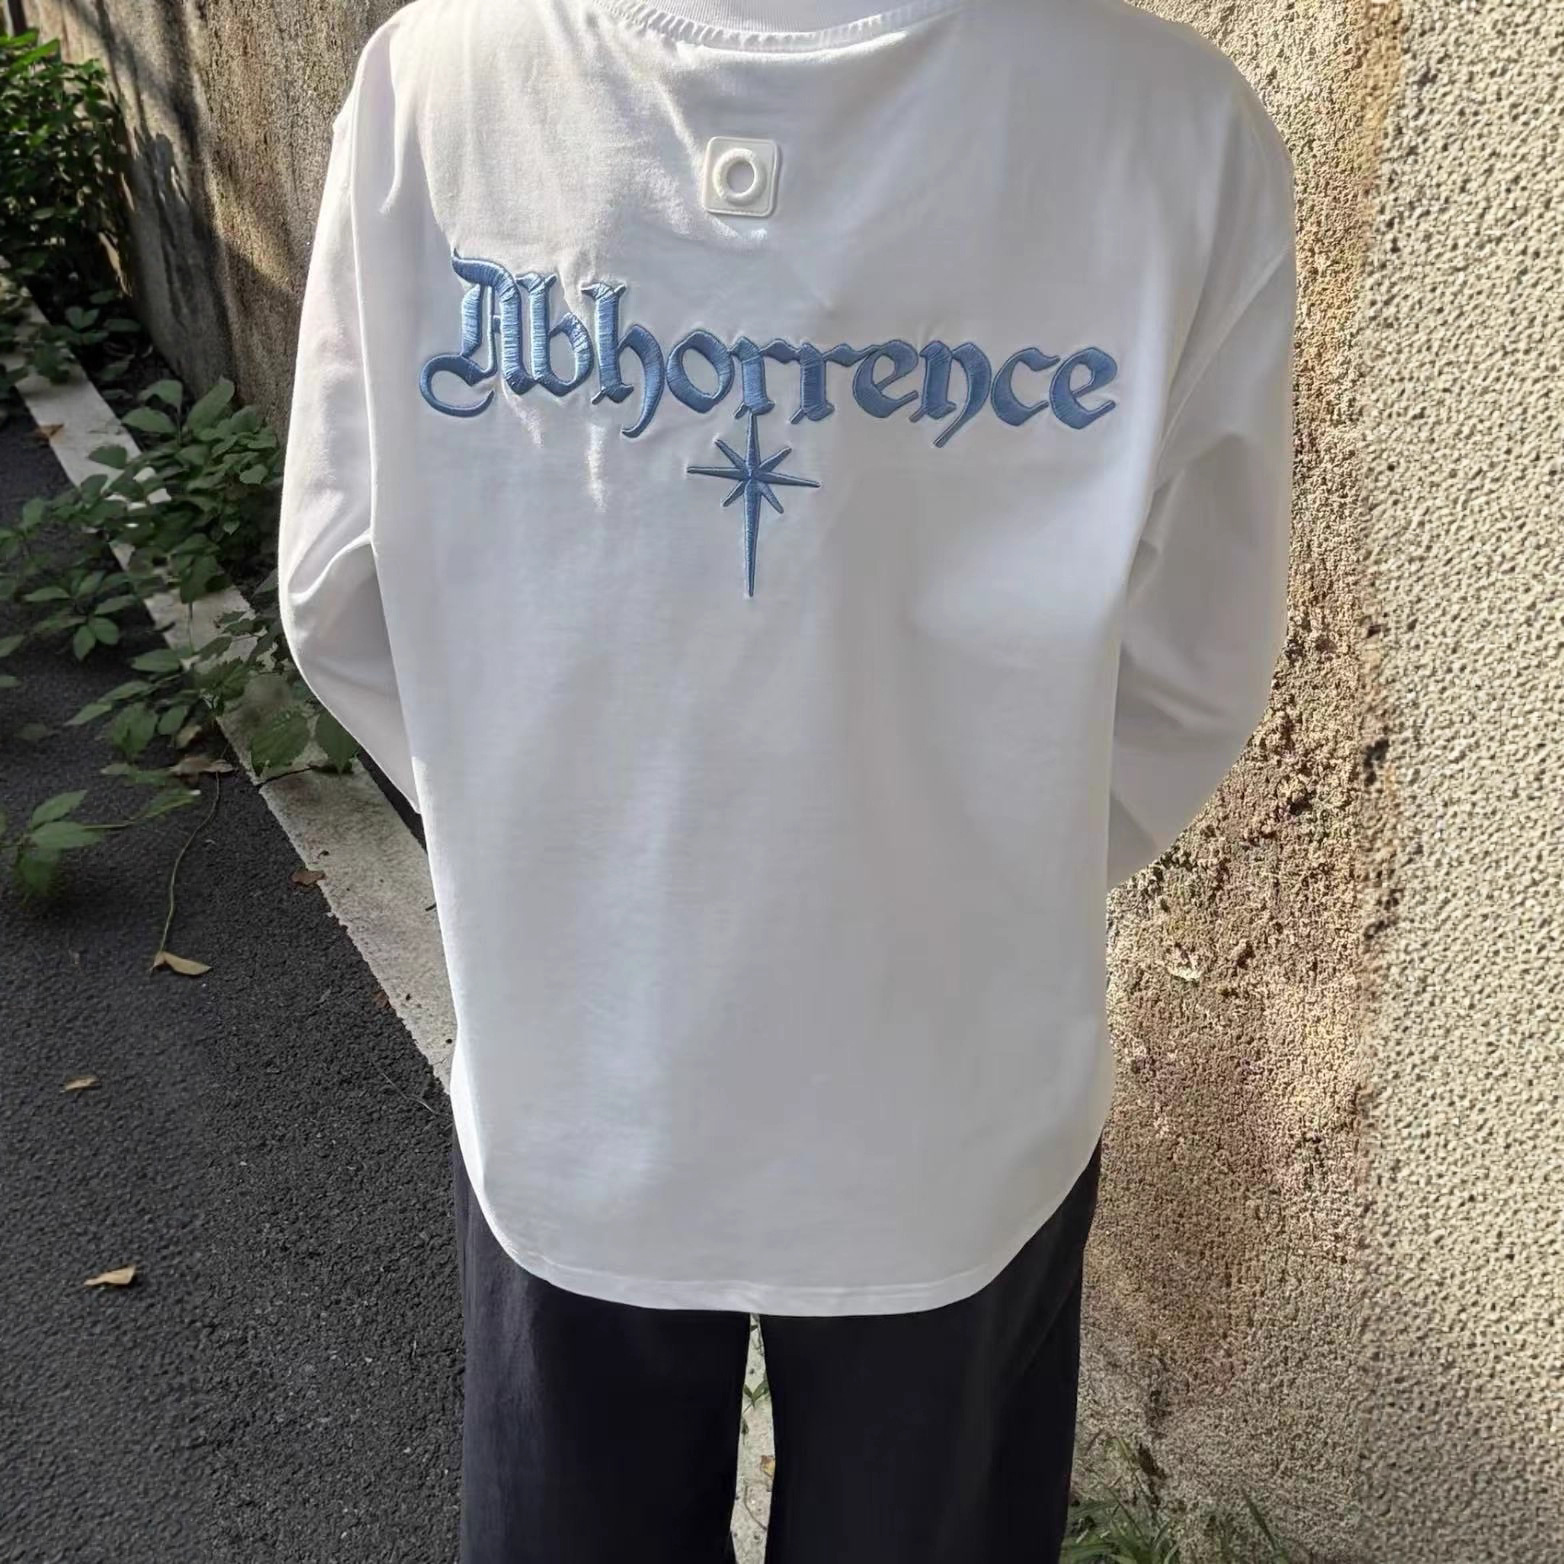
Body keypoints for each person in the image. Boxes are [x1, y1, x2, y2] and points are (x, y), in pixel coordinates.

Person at [275, 0, 1297, 1558]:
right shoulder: (1173, 129)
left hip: (582, 1057)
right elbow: (1191, 669)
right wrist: (954, 862)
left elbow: (338, 597)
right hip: (950, 1081)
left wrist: (559, 834)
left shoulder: (439, 86)